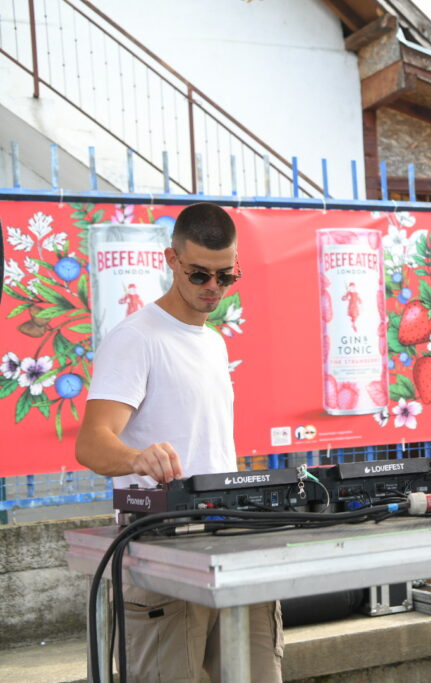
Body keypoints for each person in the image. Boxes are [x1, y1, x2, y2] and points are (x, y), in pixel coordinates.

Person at [75, 202, 282, 683]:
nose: (213, 288)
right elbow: (91, 443)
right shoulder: (136, 338)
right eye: (199, 275)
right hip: (164, 550)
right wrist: (135, 457)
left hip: (231, 542)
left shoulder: (213, 341)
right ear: (171, 260)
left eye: (225, 277)